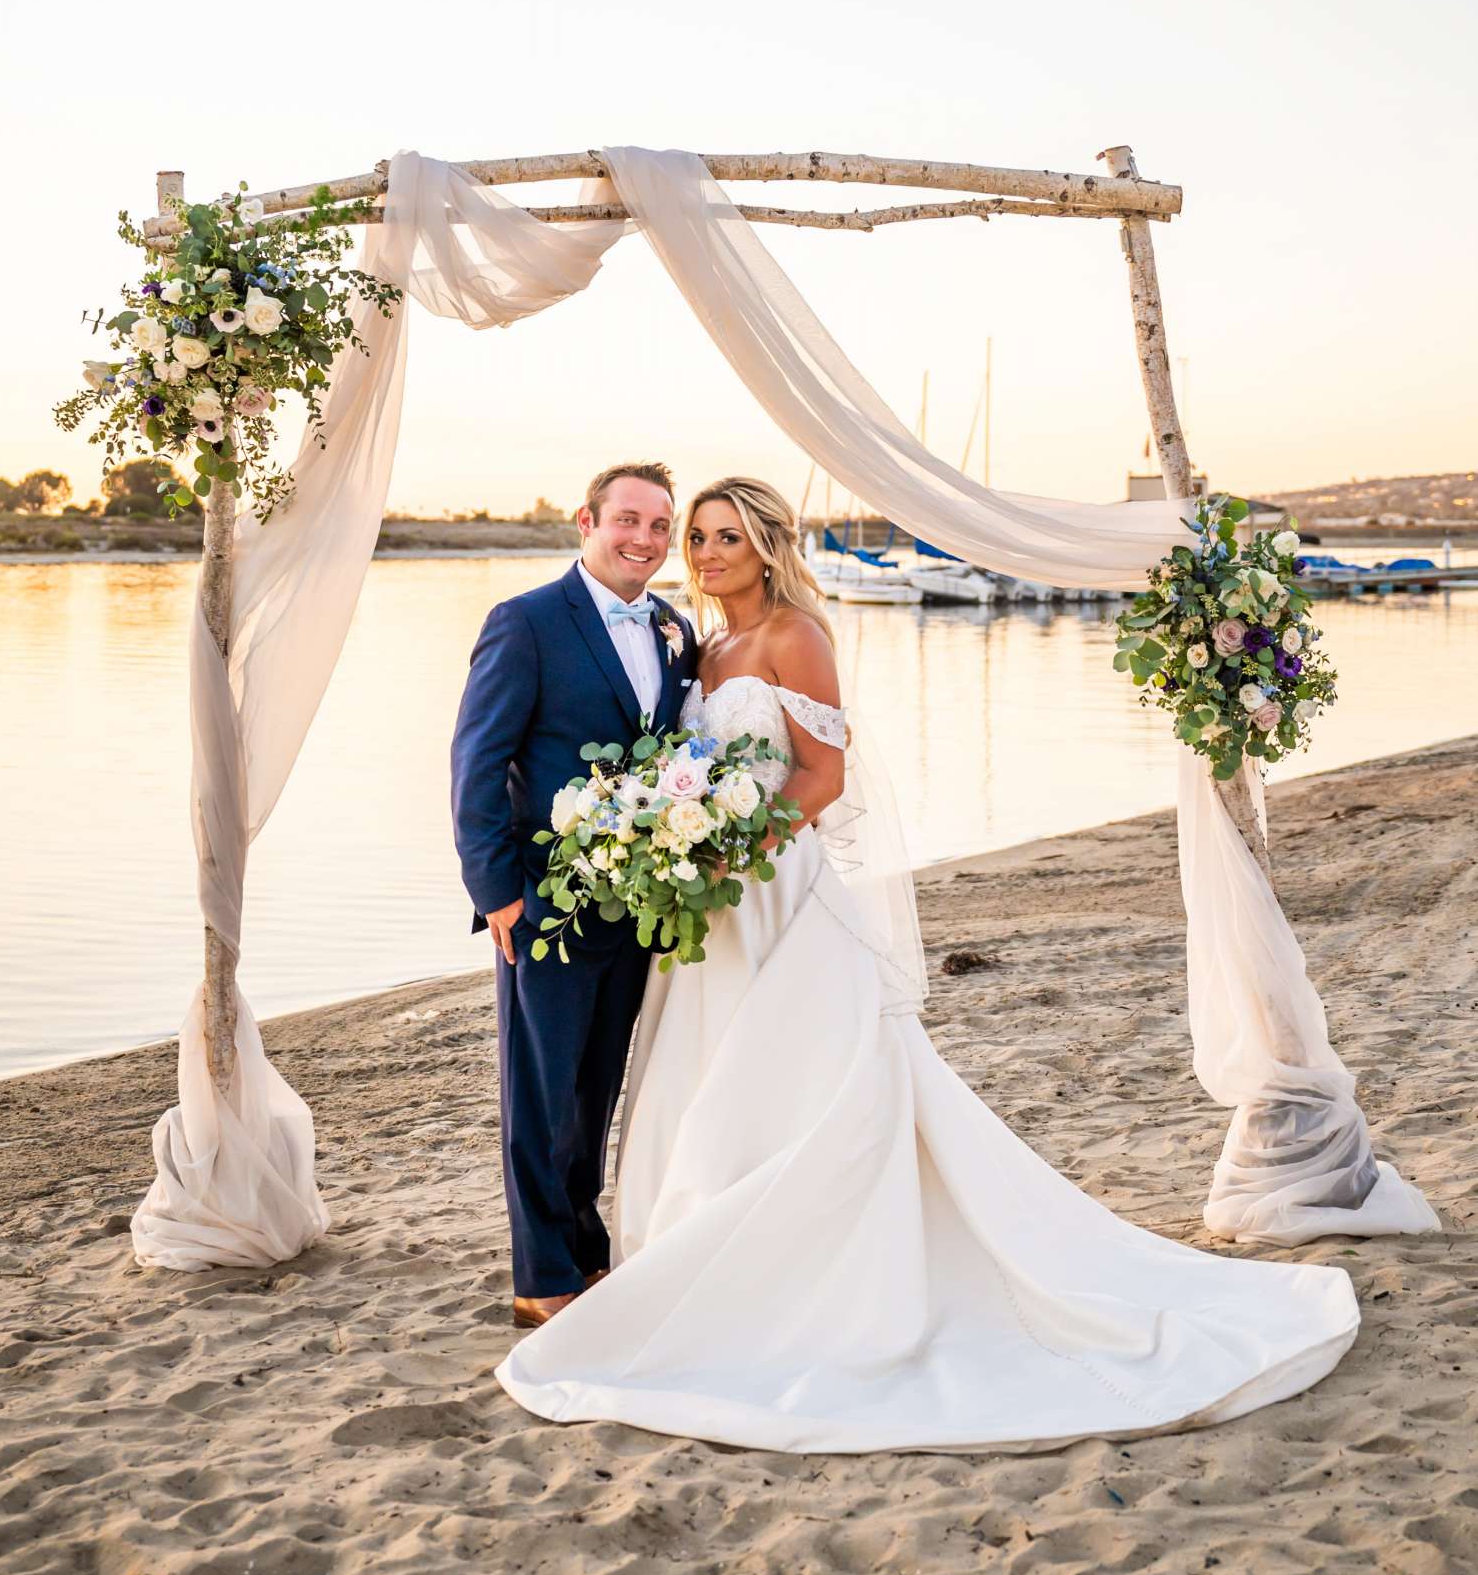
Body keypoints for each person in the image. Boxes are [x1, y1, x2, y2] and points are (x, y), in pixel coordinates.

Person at [496, 477, 1360, 1454]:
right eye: (695, 536)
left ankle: (804, 1273)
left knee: (802, 1077)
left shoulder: (794, 636)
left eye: (724, 536)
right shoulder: (701, 645)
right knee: (700, 1072)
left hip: (777, 890)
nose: (706, 552)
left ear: (770, 546)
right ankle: (685, 1257)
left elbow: (823, 776)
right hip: (717, 908)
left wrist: (731, 850)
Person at [451, 462, 699, 1329]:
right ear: (585, 521)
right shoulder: (524, 622)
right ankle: (539, 1278)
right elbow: (477, 764)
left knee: (597, 1089)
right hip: (546, 902)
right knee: (540, 1092)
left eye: (660, 525)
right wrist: (498, 896)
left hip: (636, 900)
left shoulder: (674, 627)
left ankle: (586, 1252)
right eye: (627, 519)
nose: (644, 539)